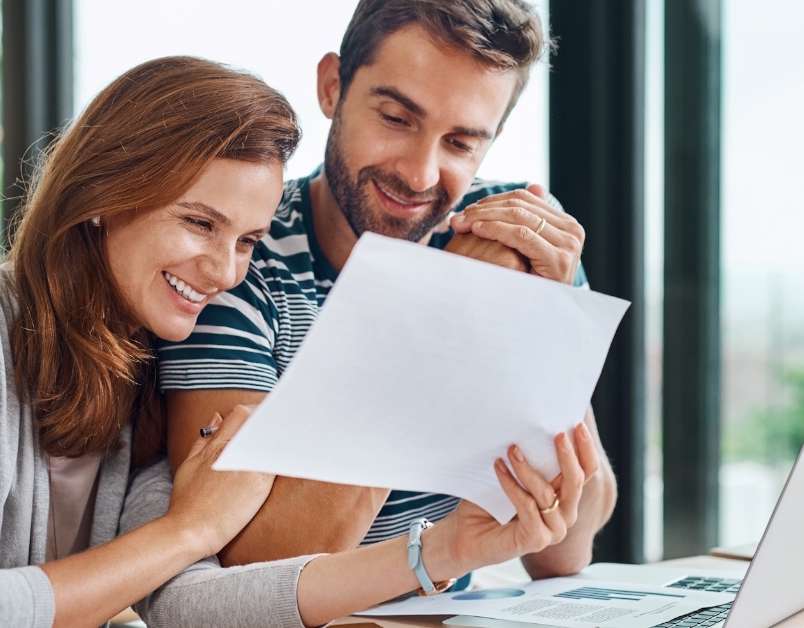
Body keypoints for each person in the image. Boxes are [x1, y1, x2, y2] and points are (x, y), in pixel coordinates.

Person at [0, 56, 593, 628]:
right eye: (199, 221)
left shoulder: (146, 369)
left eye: (250, 239)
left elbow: (188, 606)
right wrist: (189, 529)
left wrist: (441, 552)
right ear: (104, 195)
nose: (224, 269)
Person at [158, 0, 618, 584]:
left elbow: (563, 551)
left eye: (460, 143)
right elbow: (245, 568)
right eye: (397, 118)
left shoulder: (514, 241)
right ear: (332, 88)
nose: (421, 174)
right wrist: (439, 315)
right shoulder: (239, 260)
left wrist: (547, 325)